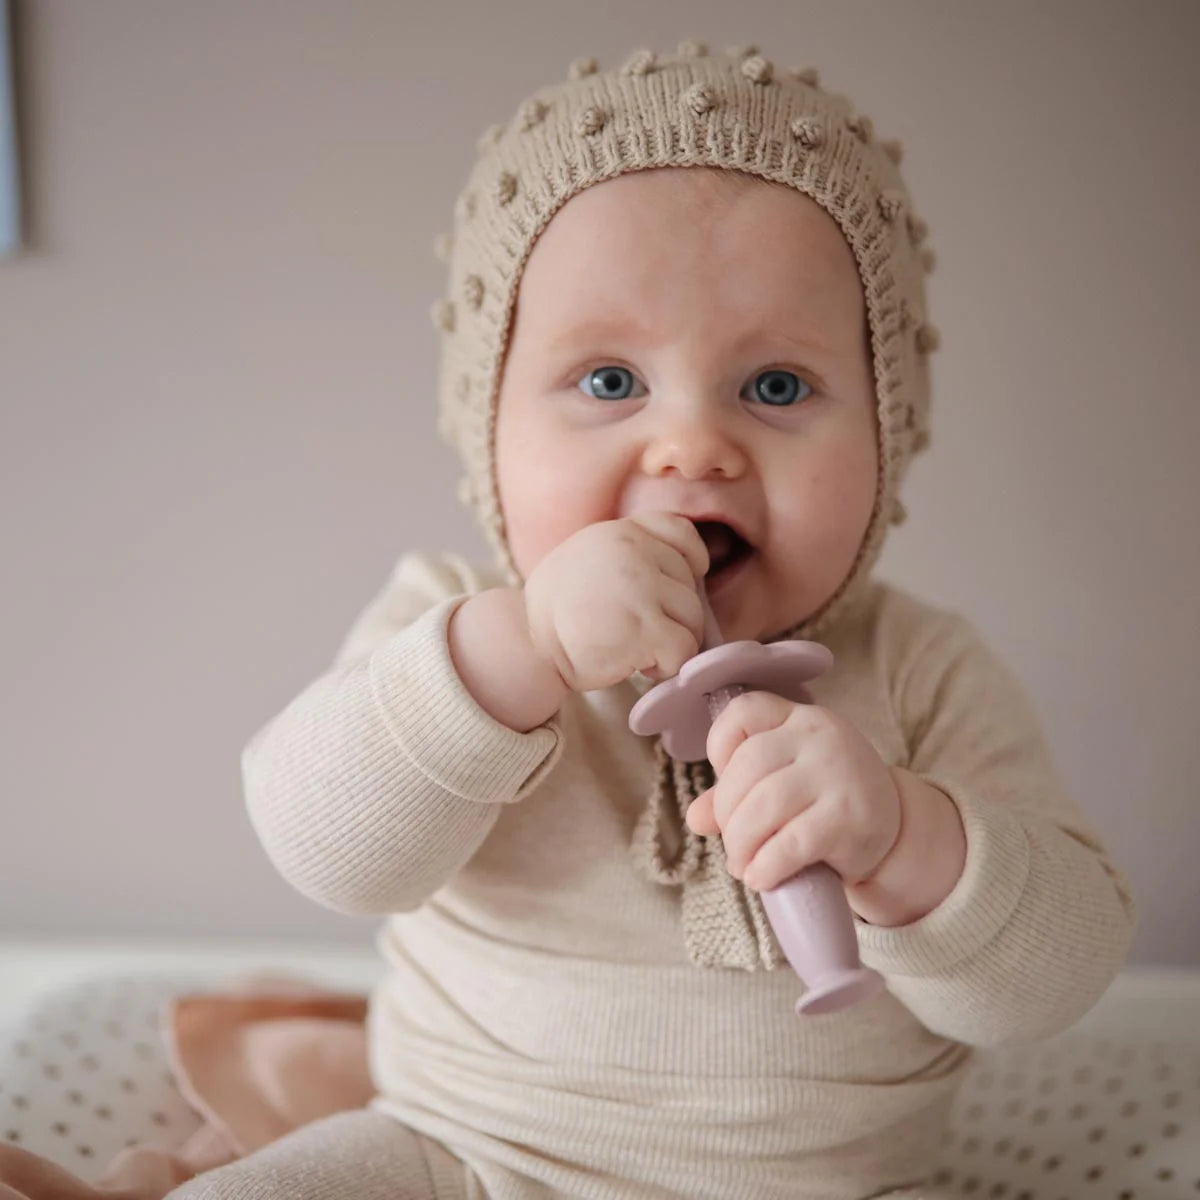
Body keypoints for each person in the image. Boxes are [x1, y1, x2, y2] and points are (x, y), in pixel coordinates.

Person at [175, 40, 1136, 1200]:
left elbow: (1056, 979)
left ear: (887, 434)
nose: (692, 447)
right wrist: (520, 652)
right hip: (459, 1157)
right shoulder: (453, 621)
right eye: (610, 382)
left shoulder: (920, 668)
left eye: (776, 386)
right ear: (490, 429)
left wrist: (903, 840)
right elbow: (324, 849)